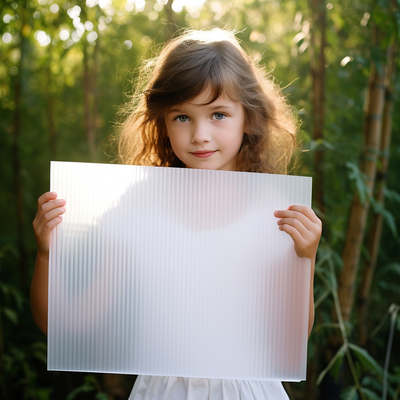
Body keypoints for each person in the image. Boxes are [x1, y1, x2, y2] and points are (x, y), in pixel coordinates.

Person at [31, 28, 322, 400]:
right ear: (162, 124)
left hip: (250, 391)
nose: (200, 134)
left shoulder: (276, 212)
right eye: (182, 117)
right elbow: (63, 326)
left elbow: (290, 339)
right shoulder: (136, 207)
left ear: (248, 117)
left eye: (218, 114)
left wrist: (305, 259)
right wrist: (46, 254)